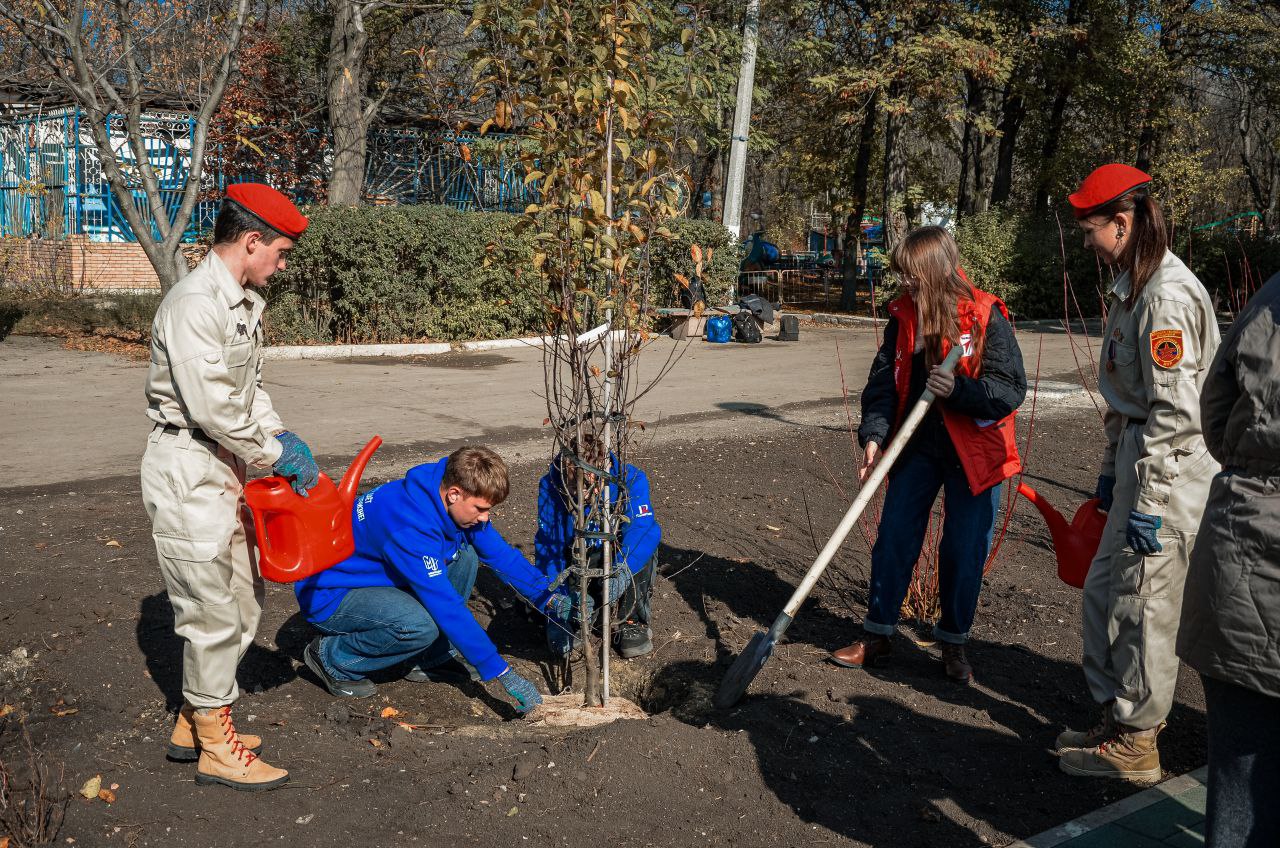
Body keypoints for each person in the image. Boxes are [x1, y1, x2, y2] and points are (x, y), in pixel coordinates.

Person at [141, 183, 317, 791]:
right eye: (281, 253)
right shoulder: (195, 304)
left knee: (242, 600)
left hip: (224, 464)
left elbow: (247, 392)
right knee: (212, 609)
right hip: (189, 465)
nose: (283, 265)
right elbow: (213, 405)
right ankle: (216, 746)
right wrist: (275, 454)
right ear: (251, 241)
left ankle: (194, 722)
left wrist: (280, 434)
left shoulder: (239, 303)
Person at [1055, 164, 1220, 782]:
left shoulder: (1165, 297)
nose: (1087, 243)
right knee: (1105, 593)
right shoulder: (1134, 288)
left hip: (1168, 477)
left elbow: (1175, 417)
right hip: (1138, 462)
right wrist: (1109, 472)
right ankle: (1115, 715)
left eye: (1091, 230)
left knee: (1144, 604)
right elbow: (1128, 405)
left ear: (1121, 225)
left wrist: (1148, 501)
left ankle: (1138, 742)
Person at [830, 225, 1026, 683]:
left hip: (975, 453)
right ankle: (878, 635)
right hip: (917, 446)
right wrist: (874, 435)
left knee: (964, 547)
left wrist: (959, 390)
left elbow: (1008, 388)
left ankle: (953, 643)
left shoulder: (983, 314)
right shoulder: (903, 316)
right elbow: (883, 384)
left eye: (911, 275)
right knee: (895, 537)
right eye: (902, 274)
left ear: (935, 271)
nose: (904, 283)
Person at [293, 446, 578, 715]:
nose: (485, 518)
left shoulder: (445, 484)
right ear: (454, 494)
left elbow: (500, 554)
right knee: (418, 626)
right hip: (330, 593)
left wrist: (547, 597)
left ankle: (432, 657)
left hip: (373, 576)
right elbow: (447, 607)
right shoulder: (410, 528)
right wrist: (501, 672)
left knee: (465, 556)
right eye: (480, 509)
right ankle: (332, 658)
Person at [1176, 270, 1280, 846]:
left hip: (1241, 546)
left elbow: (1212, 412)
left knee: (1239, 785)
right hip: (1245, 558)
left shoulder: (1269, 296)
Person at [534, 436, 662, 659]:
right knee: (557, 562)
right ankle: (568, 617)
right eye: (575, 486)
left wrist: (622, 571)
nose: (586, 495)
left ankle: (631, 620)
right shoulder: (551, 484)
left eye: (592, 485)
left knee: (644, 550)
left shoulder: (630, 479)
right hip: (577, 559)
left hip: (614, 556)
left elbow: (643, 531)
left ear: (605, 468)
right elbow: (549, 546)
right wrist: (557, 604)